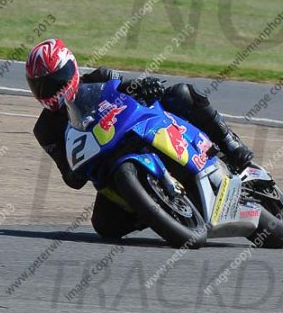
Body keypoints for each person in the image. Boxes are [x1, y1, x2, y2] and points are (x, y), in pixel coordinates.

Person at [25, 38, 253, 238]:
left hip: (136, 131)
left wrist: (145, 86)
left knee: (181, 93)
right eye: (41, 86)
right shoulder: (44, 130)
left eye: (56, 80)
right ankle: (154, 210)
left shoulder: (100, 77)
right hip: (107, 166)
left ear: (71, 67)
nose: (50, 89)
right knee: (105, 226)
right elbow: (71, 178)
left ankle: (229, 143)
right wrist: (73, 166)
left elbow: (128, 88)